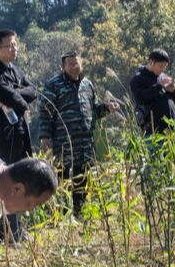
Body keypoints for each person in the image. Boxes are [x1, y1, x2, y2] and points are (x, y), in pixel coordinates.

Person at [39, 48, 120, 215]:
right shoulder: (54, 85)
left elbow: (93, 111)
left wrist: (107, 108)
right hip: (64, 143)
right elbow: (45, 113)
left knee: (82, 178)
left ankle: (79, 212)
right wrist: (45, 137)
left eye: (77, 63)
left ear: (81, 63)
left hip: (84, 143)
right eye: (70, 64)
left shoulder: (87, 84)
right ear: (63, 66)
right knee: (62, 178)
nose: (74, 66)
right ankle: (61, 214)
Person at [0, 29, 37, 164]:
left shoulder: (17, 71)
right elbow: (13, 99)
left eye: (15, 44)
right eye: (10, 45)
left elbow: (33, 91)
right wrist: (18, 97)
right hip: (1, 139)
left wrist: (14, 91)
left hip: (22, 134)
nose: (15, 48)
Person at [129, 48, 175, 136]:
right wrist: (159, 86)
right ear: (151, 62)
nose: (162, 69)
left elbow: (173, 99)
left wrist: (173, 91)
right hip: (152, 130)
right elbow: (140, 98)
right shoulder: (138, 79)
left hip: (169, 129)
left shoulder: (163, 76)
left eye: (165, 66)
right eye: (160, 66)